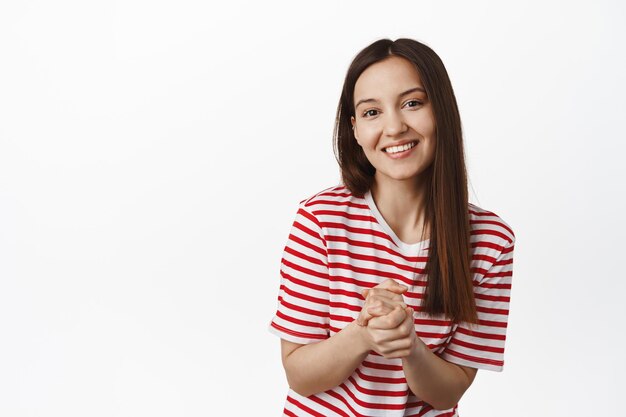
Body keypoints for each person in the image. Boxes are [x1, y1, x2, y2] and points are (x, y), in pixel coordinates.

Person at [268, 38, 515, 417]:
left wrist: (410, 345)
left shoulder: (490, 241)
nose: (395, 127)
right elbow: (299, 374)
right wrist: (362, 333)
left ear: (442, 111)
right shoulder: (320, 219)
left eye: (412, 103)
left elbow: (449, 393)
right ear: (354, 129)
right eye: (371, 112)